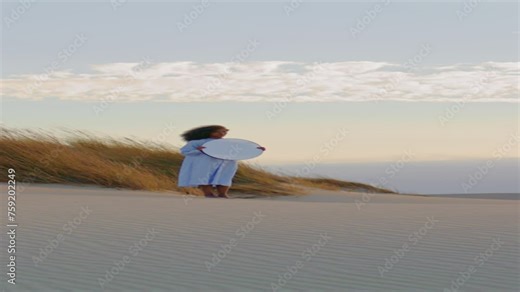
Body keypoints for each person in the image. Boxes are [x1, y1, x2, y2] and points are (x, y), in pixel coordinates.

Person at [177, 125, 266, 198]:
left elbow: (241, 149)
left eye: (224, 131)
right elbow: (185, 151)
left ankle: (223, 194)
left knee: (225, 178)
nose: (222, 133)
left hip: (226, 163)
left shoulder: (228, 142)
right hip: (206, 163)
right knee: (205, 178)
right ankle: (208, 193)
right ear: (209, 132)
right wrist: (199, 150)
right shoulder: (197, 142)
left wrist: (256, 149)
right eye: (218, 131)